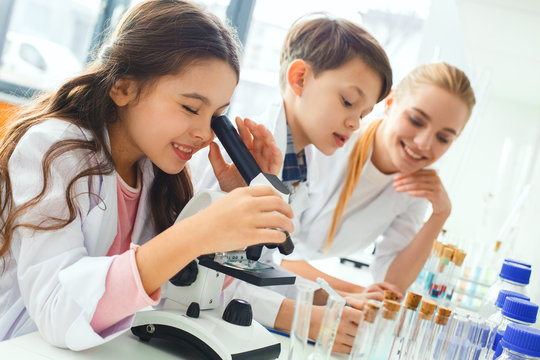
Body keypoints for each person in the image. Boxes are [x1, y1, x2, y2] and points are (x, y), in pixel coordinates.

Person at [0, 0, 293, 350]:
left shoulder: (155, 174)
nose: (205, 133)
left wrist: (231, 204)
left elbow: (173, 294)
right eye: (190, 107)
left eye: (217, 116)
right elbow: (59, 312)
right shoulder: (54, 149)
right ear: (123, 87)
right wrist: (199, 232)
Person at [189, 14, 396, 353]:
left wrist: (336, 301)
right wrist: (307, 319)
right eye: (348, 102)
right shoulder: (245, 146)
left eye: (363, 114)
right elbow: (202, 267)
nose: (355, 123)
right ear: (299, 79)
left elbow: (263, 265)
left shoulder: (301, 159)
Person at [283, 62, 475, 301]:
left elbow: (392, 284)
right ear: (390, 102)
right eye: (416, 120)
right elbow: (276, 257)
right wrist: (357, 293)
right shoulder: (329, 144)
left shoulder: (415, 189)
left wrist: (441, 214)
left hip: (292, 291)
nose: (424, 143)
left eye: (444, 137)